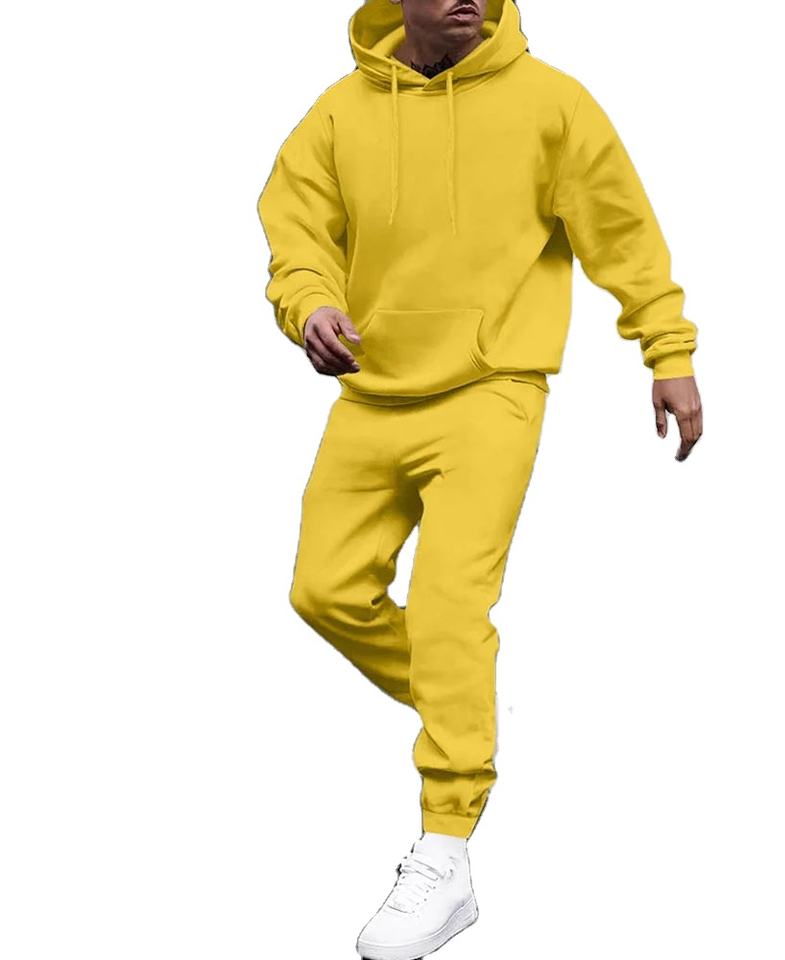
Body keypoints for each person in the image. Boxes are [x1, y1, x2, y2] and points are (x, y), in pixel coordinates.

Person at [256, 0, 703, 956]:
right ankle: (465, 705)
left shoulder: (551, 104)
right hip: (372, 388)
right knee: (323, 591)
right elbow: (296, 234)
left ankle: (447, 846)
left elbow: (622, 230)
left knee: (450, 607)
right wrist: (311, 307)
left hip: (494, 386)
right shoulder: (337, 114)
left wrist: (667, 351)